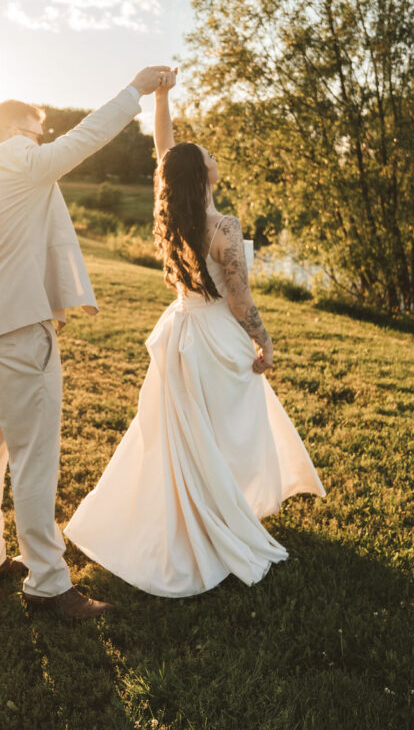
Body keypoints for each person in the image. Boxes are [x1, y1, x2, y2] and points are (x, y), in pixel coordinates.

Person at [64, 70, 326, 597]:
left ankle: (198, 510)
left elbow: (167, 150)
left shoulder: (177, 212)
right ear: (203, 172)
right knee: (229, 431)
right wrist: (264, 340)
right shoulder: (222, 225)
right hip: (215, 338)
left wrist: (163, 98)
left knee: (183, 434)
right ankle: (219, 517)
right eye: (206, 154)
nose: (211, 156)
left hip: (182, 331)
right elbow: (239, 299)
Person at [0, 66, 170, 620]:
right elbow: (83, 139)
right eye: (34, 130)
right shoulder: (16, 160)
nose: (40, 140)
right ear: (11, 131)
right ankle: (48, 582)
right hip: (19, 334)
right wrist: (135, 90)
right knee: (35, 457)